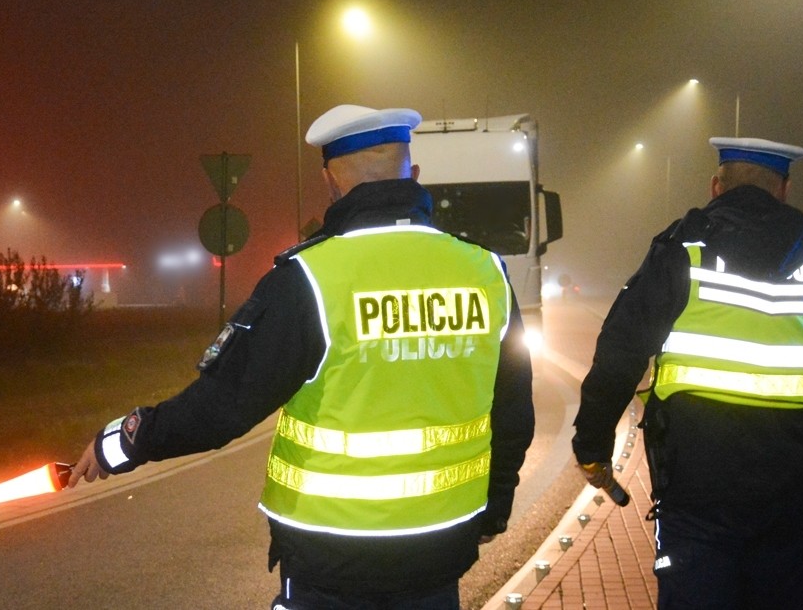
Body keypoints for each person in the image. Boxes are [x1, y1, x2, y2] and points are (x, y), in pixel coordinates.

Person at [69, 104, 535, 609]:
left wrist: (124, 440)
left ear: (330, 183)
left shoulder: (309, 280)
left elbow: (223, 407)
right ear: (414, 174)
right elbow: (513, 412)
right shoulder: (485, 272)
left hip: (330, 562)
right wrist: (493, 512)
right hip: (440, 554)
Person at [572, 137, 803, 609]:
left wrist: (592, 445)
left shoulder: (683, 250)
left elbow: (621, 349)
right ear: (783, 189)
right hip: (790, 491)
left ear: (716, 186)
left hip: (694, 490)